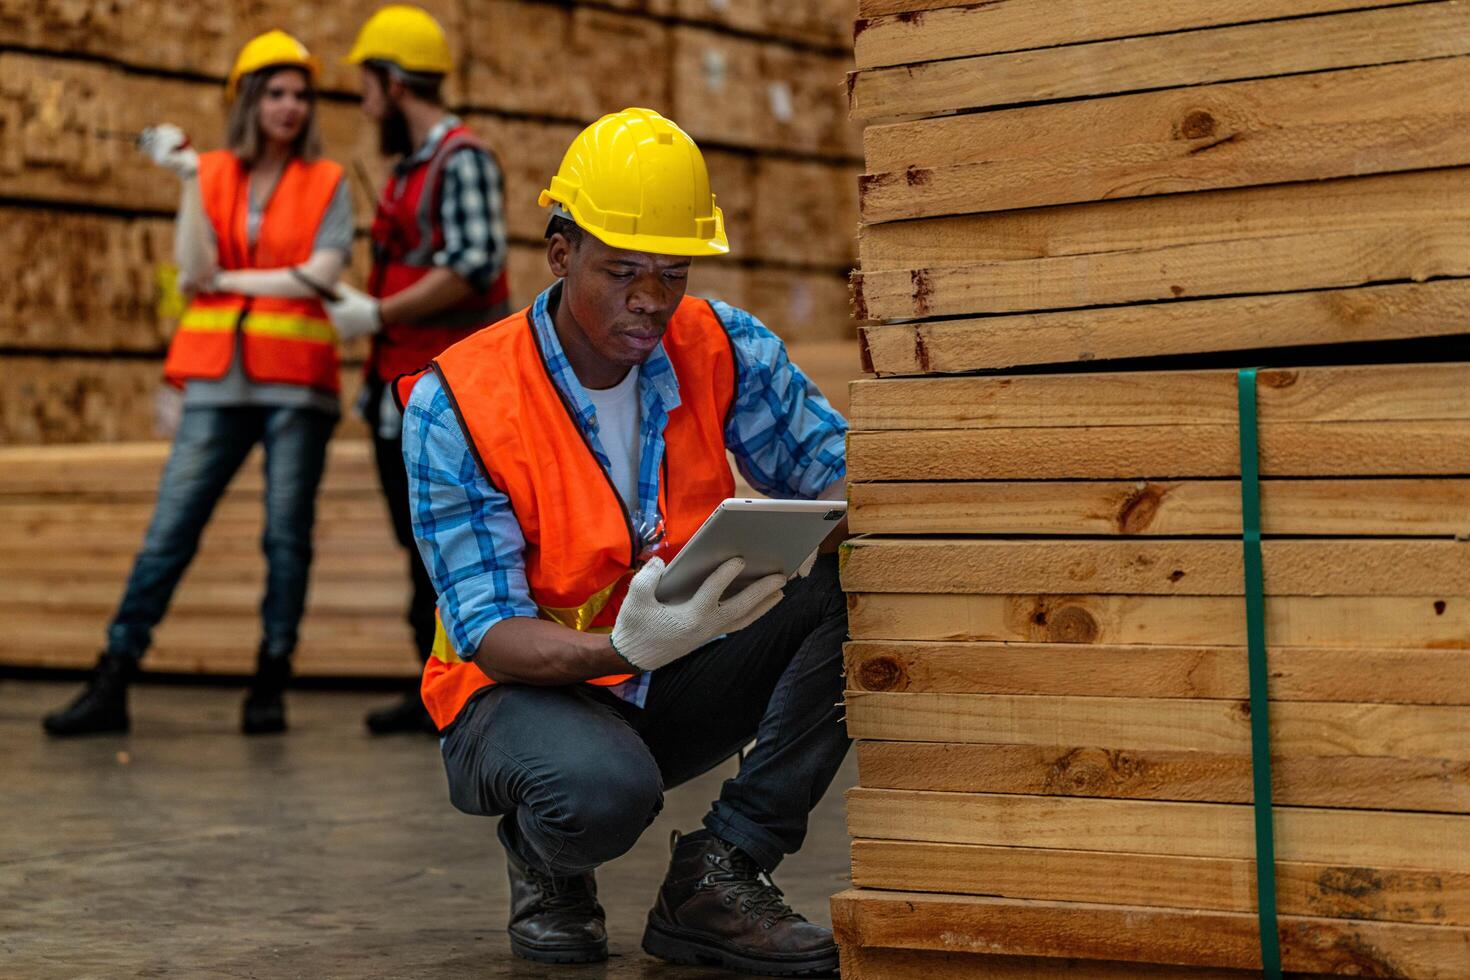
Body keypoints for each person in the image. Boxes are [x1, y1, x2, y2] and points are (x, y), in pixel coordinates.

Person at [397, 108, 850, 975]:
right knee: (598, 796)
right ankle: (545, 856)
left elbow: (833, 474)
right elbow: (489, 629)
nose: (651, 298)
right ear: (561, 253)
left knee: (860, 581)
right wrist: (624, 644)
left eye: (671, 272)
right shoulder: (459, 404)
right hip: (513, 694)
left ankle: (722, 870)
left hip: (670, 668)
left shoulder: (718, 346)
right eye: (622, 271)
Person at [42, 31, 362, 737]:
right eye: (276, 92)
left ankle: (270, 681)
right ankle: (113, 677)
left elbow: (324, 274)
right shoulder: (210, 172)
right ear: (249, 100)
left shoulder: (327, 180)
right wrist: (187, 179)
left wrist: (238, 280)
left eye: (301, 95)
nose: (291, 106)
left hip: (295, 385)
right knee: (168, 532)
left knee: (286, 539)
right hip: (217, 380)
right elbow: (192, 274)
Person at [326, 4, 512, 735]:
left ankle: (473, 686)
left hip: (447, 393)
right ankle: (434, 683)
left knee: (447, 543)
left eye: (368, 84)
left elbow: (475, 264)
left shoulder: (459, 160)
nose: (364, 100)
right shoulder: (408, 169)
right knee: (417, 545)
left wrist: (378, 315)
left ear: (396, 82)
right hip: (396, 387)